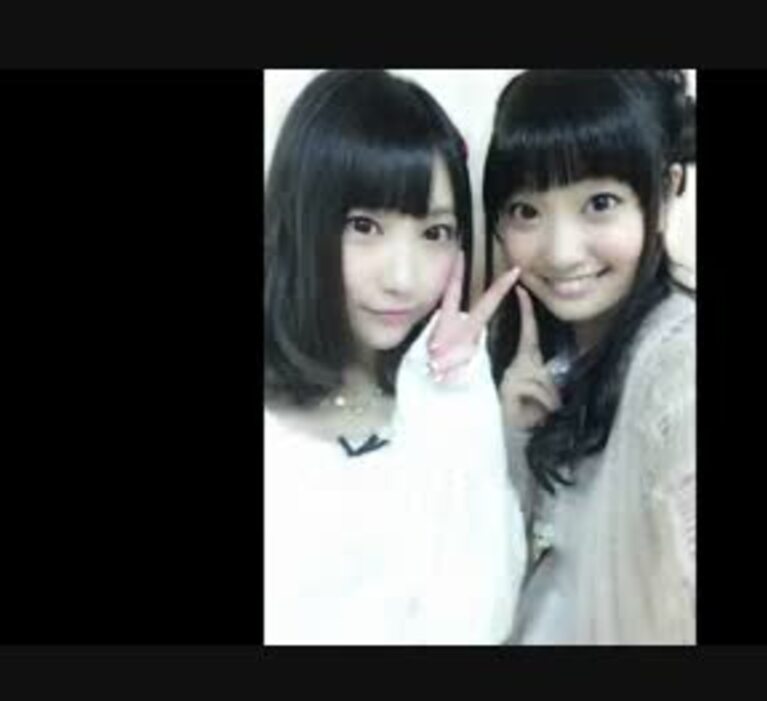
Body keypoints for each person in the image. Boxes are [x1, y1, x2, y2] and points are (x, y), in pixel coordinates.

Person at [263, 70, 525, 644]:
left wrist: (458, 405)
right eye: (364, 226)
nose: (403, 278)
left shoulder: (447, 405)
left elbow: (486, 620)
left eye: (435, 233)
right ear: (298, 217)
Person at [481, 69, 696, 643]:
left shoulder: (679, 370)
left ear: (665, 192)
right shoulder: (544, 364)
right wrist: (512, 439)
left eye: (599, 203)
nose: (560, 252)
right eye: (526, 211)